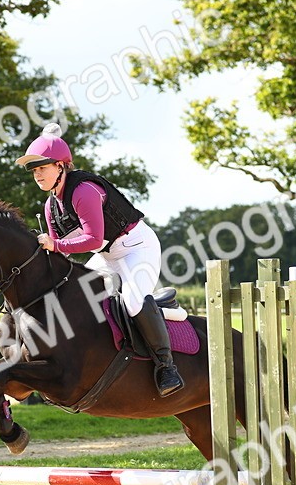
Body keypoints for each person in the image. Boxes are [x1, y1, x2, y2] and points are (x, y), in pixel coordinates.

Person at [15, 123, 184, 396]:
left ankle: (166, 366)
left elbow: (92, 239)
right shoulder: (50, 206)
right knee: (75, 296)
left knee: (131, 301)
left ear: (60, 166)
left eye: (42, 168)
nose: (37, 175)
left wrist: (54, 244)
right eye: (34, 171)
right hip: (106, 256)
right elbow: (63, 252)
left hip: (136, 247)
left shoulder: (84, 191)